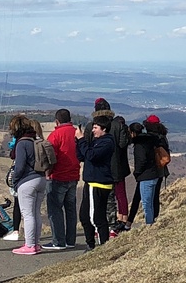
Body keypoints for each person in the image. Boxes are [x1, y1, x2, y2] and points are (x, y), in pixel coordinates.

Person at [7, 115, 47, 255]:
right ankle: (35, 243)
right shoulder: (34, 141)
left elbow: (19, 167)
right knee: (35, 213)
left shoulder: (22, 143)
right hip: (41, 179)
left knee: (28, 214)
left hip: (27, 181)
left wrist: (15, 181)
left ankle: (29, 245)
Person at [42, 108, 81, 251]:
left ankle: (58, 241)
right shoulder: (77, 132)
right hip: (74, 175)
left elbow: (49, 157)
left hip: (58, 176)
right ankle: (70, 240)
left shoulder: (55, 135)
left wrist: (47, 172)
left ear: (57, 121)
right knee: (71, 209)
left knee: (55, 210)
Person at [76, 117, 116, 248]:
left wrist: (82, 140)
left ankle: (103, 247)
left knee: (96, 218)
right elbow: (82, 156)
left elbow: (92, 156)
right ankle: (90, 245)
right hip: (91, 183)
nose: (93, 130)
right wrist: (78, 141)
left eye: (95, 128)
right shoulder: (96, 142)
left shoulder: (107, 142)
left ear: (104, 129)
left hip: (98, 183)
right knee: (84, 216)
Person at [127, 118, 168, 226]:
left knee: (146, 203)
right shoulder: (156, 139)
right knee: (152, 199)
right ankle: (152, 220)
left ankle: (148, 224)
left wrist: (137, 173)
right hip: (156, 172)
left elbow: (141, 161)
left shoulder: (140, 144)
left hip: (146, 175)